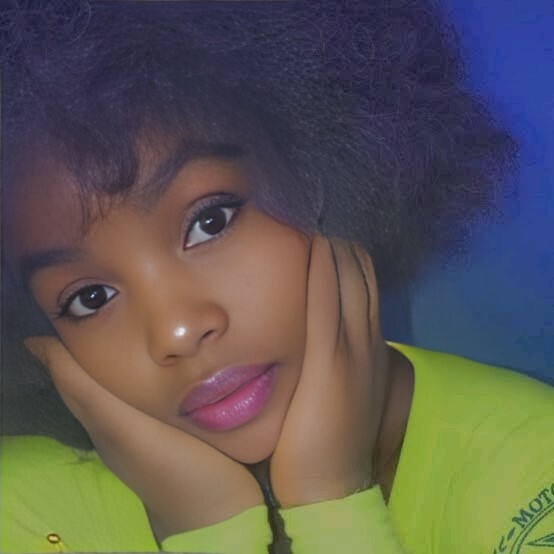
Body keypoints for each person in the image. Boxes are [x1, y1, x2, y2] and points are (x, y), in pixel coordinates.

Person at [1, 1, 552, 553]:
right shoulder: (20, 510)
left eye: (210, 222)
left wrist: (330, 501)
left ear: (319, 173)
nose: (177, 331)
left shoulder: (531, 462)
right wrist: (214, 533)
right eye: (90, 298)